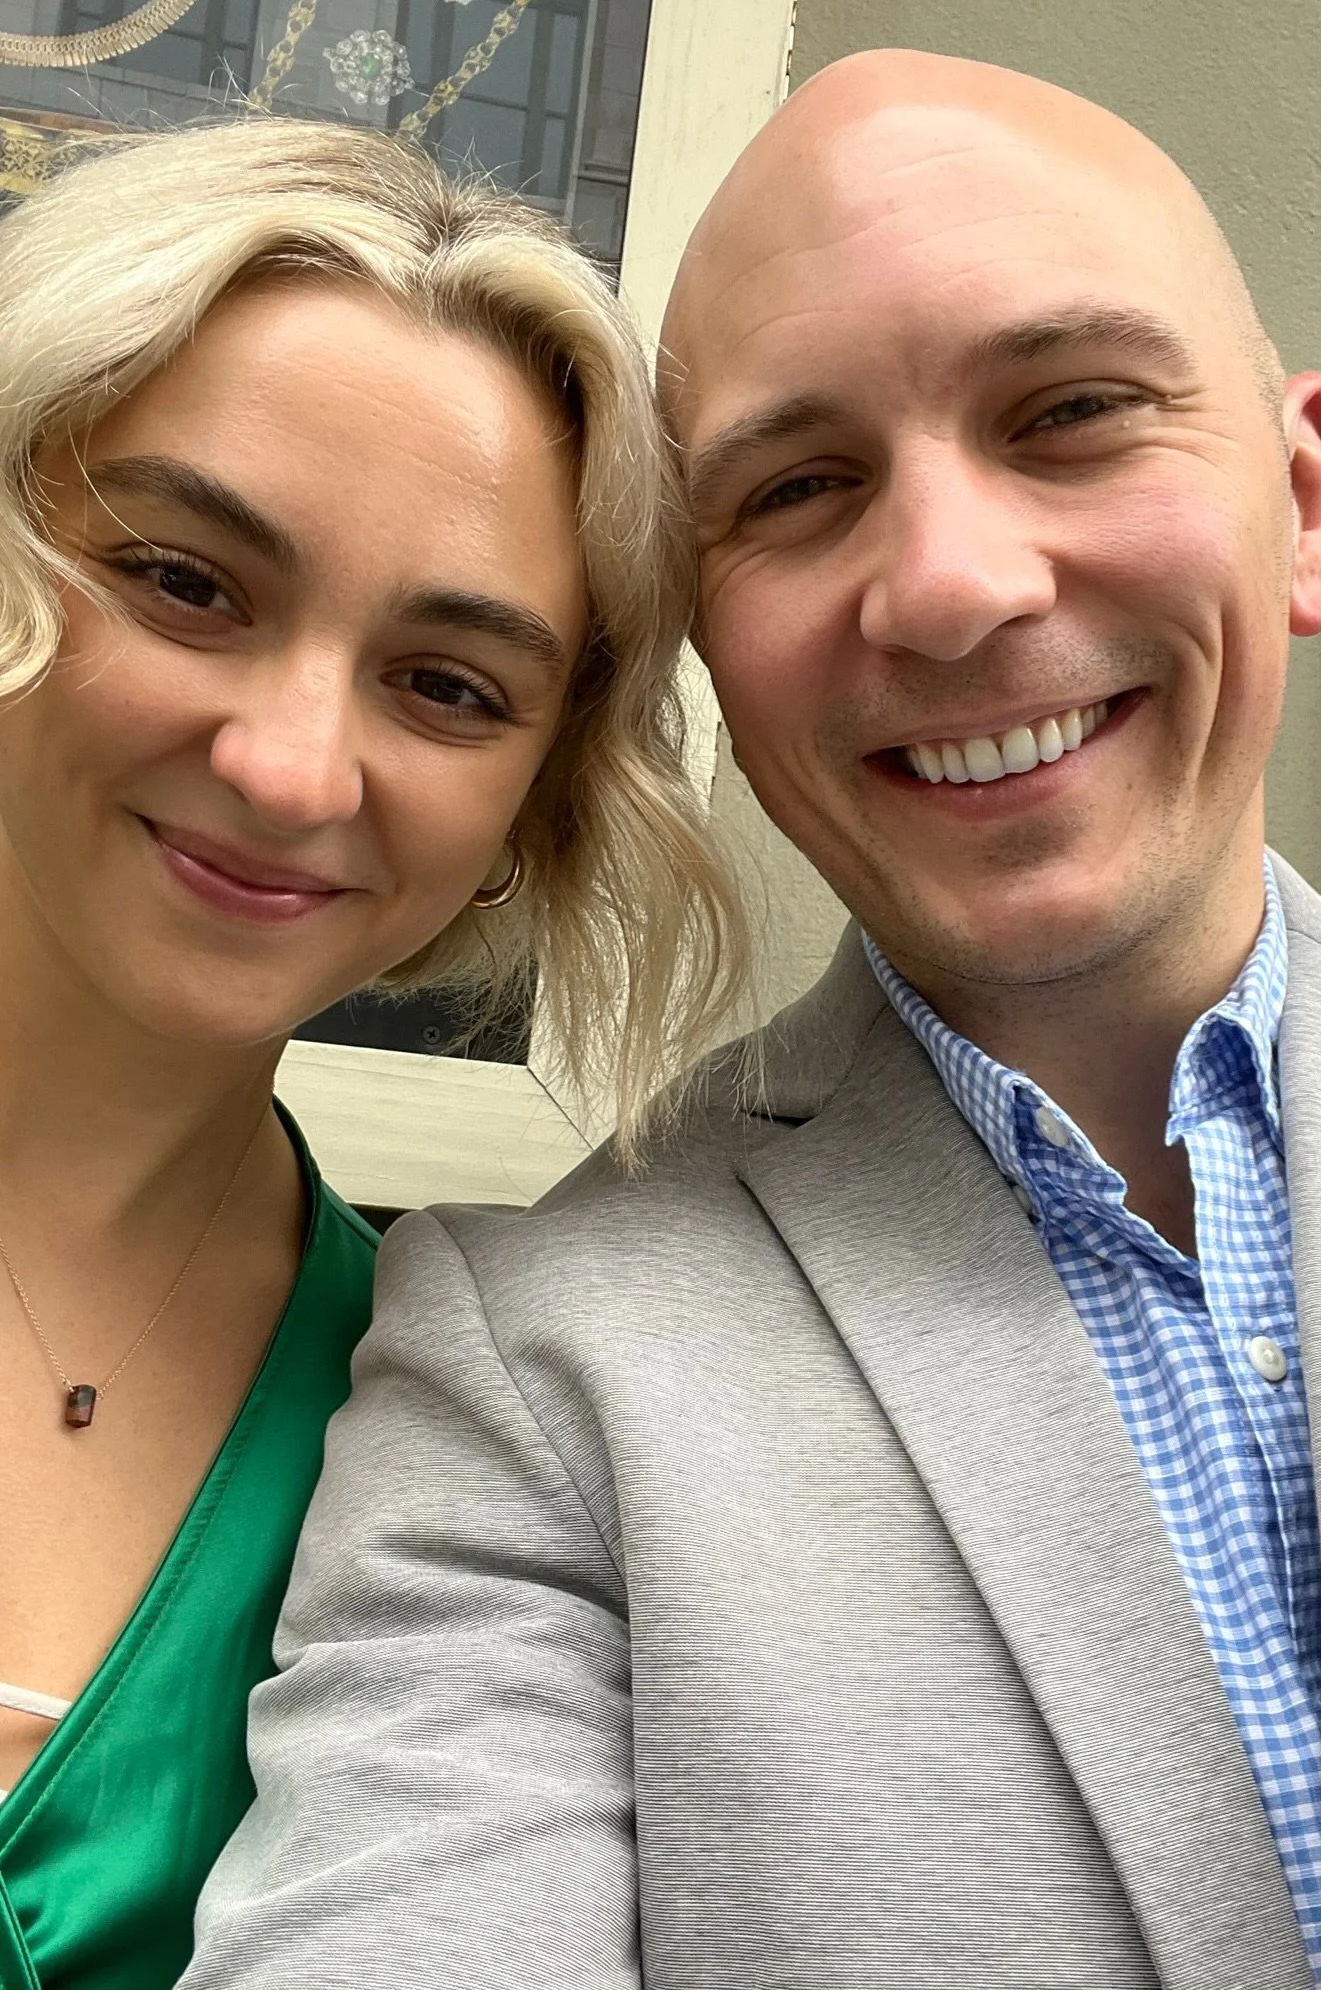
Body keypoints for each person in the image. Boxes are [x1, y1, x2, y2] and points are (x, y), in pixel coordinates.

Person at [182, 52, 1321, 1990]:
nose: (955, 586)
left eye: (1072, 414)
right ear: (709, 642)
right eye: (799, 487)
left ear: (1306, 501)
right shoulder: (534, 1366)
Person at [0, 115, 741, 1990]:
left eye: (445, 687)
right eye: (184, 580)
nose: (291, 767)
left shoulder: (462, 1436)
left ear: (539, 805)